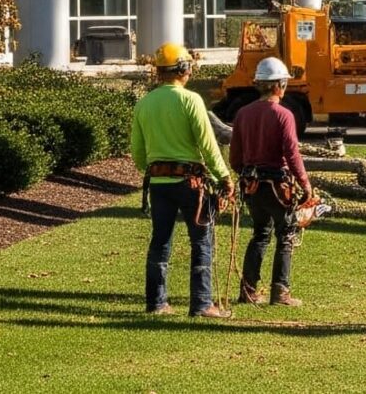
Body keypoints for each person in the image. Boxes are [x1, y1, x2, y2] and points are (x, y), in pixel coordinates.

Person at [131, 41, 236, 317]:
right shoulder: (190, 100)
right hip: (190, 184)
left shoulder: (144, 104)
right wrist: (224, 177)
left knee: (160, 241)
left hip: (159, 184)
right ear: (183, 69)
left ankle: (156, 303)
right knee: (201, 240)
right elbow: (208, 144)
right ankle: (201, 304)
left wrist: (154, 170)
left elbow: (138, 152)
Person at [231, 55, 312, 306]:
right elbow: (291, 152)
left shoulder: (243, 114)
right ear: (279, 85)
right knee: (286, 234)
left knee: (260, 234)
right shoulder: (283, 115)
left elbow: (235, 156)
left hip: (253, 185)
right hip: (278, 185)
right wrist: (305, 183)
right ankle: (280, 292)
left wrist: (245, 175)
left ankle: (248, 290)